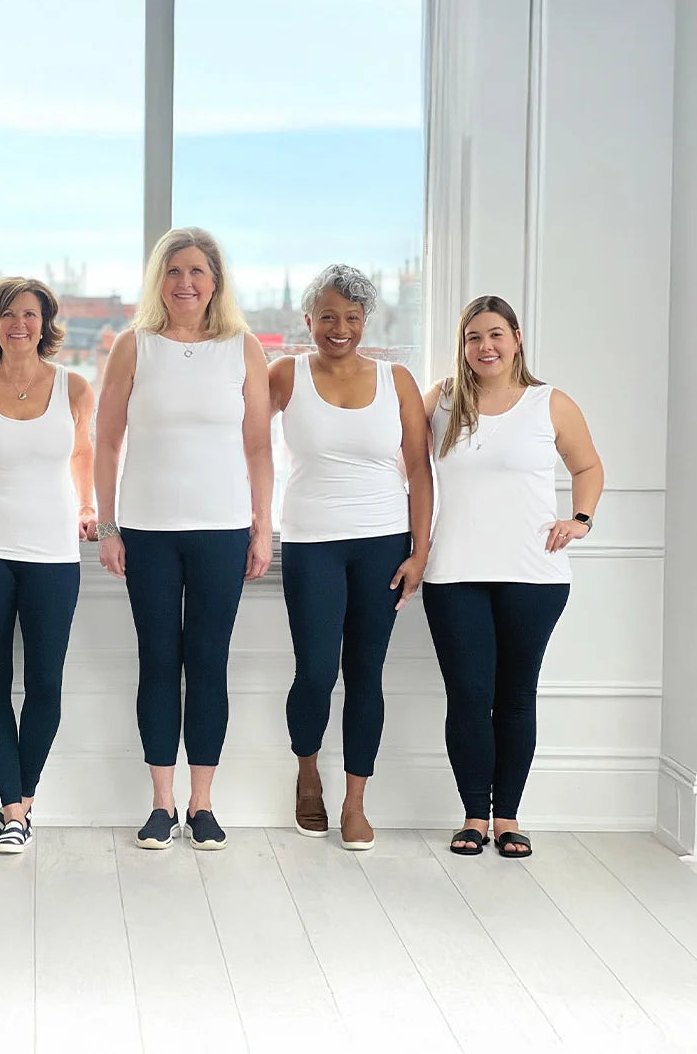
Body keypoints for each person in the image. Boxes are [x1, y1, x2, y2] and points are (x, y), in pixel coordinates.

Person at [94, 227, 273, 851]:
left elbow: (257, 446)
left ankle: (202, 805)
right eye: (174, 272)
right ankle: (161, 804)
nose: (186, 283)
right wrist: (109, 526)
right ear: (158, 280)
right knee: (159, 663)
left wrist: (261, 524)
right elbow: (107, 442)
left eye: (197, 271)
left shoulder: (243, 348)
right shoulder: (133, 346)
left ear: (215, 281)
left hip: (222, 530)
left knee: (208, 664)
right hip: (147, 531)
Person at [422, 295, 603, 858]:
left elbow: (588, 466)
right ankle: (474, 815)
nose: (486, 346)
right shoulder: (442, 401)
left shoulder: (551, 403)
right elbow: (401, 459)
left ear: (517, 338)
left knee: (515, 696)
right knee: (469, 696)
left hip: (534, 575)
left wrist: (580, 519)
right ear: (463, 345)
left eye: (496, 334)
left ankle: (509, 819)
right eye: (474, 337)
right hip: (453, 572)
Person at [268, 264, 432, 851]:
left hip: (383, 543)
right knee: (315, 670)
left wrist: (420, 549)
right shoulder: (285, 374)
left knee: (366, 673)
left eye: (353, 318)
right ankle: (307, 770)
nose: (341, 328)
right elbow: (237, 443)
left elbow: (419, 469)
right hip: (311, 541)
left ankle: (355, 800)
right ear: (308, 319)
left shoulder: (398, 380)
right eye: (330, 317)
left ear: (367, 322)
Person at [0, 277, 96, 853]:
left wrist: (91, 512)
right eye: (7, 315)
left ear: (46, 322)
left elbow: (83, 454)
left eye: (29, 314)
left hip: (53, 551)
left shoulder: (75, 388)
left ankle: (16, 806)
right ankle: (16, 809)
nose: (18, 324)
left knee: (46, 683)